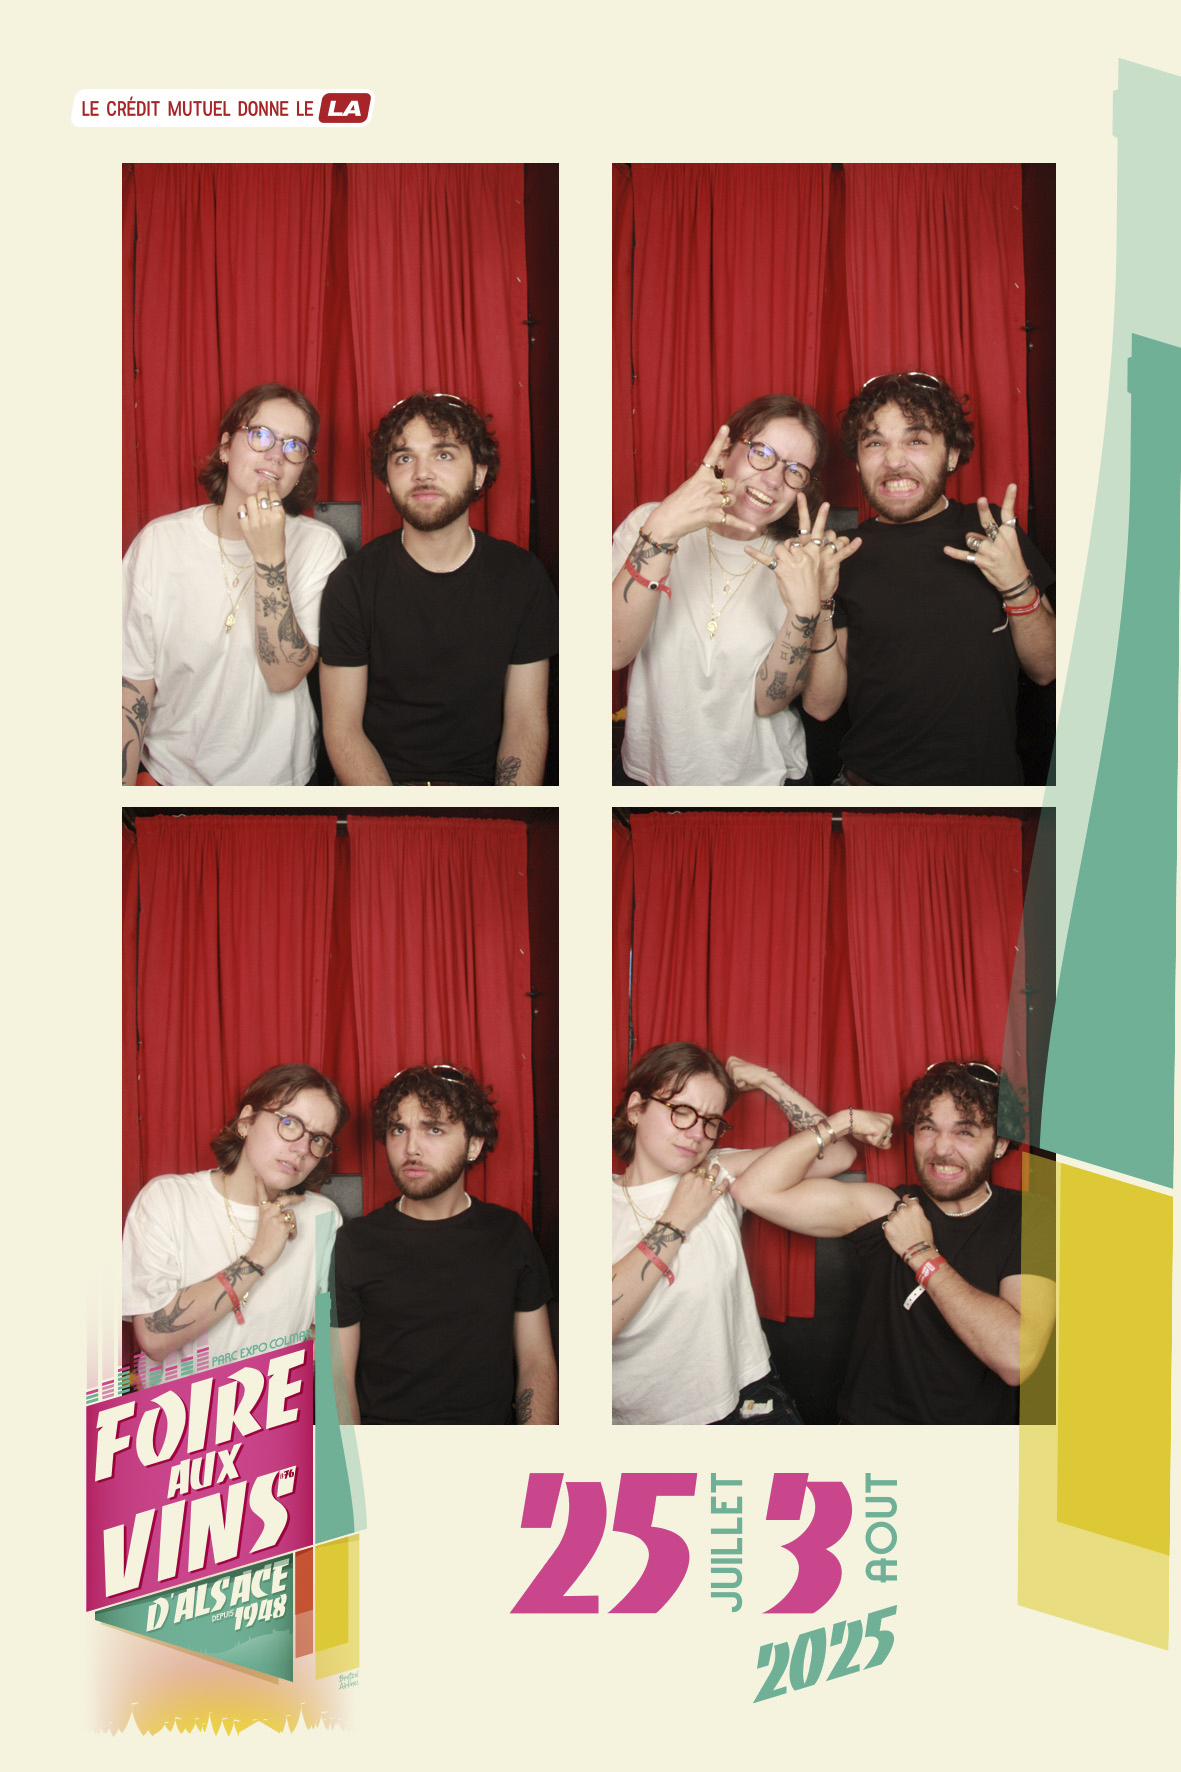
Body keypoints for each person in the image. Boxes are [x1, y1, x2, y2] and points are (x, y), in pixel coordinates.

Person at [730, 1059, 1056, 1423]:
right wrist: (843, 1121)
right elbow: (753, 1191)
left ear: (1000, 1143)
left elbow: (1016, 1358)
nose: (941, 1148)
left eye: (965, 1132)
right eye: (928, 1128)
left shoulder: (1032, 1218)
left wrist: (921, 1254)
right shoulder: (888, 1208)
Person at [611, 1044, 893, 1425]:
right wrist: (677, 1220)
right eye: (682, 1111)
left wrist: (769, 1082)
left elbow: (838, 1155)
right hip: (650, 1421)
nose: (696, 1134)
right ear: (635, 1109)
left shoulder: (715, 1169)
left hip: (750, 1399)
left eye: (711, 1121)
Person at [803, 370, 1056, 784]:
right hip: (869, 794)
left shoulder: (994, 531)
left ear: (952, 454)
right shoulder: (842, 555)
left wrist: (1016, 585)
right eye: (874, 443)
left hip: (987, 799)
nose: (894, 460)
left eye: (916, 440)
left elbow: (1046, 669)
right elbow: (821, 705)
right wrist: (820, 601)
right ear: (858, 460)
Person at [612, 395, 857, 786]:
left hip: (765, 783)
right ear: (726, 452)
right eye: (762, 454)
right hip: (654, 774)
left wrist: (805, 610)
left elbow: (768, 702)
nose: (773, 480)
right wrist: (662, 532)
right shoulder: (652, 522)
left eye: (795, 471)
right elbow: (611, 652)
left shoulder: (795, 559)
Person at [318, 393, 557, 785]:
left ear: (479, 473)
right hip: (384, 791)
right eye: (404, 458)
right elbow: (343, 729)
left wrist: (504, 811)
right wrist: (394, 816)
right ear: (386, 481)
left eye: (443, 454)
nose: (422, 473)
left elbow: (525, 722)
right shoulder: (353, 583)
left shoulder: (523, 577)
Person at [122, 383, 345, 786]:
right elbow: (133, 682)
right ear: (226, 447)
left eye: (294, 445)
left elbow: (283, 675)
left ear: (301, 469)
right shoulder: (159, 543)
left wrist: (269, 555)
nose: (276, 454)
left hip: (279, 785)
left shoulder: (319, 546)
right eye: (260, 435)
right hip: (172, 779)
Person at [332, 1064, 557, 1424]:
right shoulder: (353, 1242)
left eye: (434, 1129)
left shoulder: (509, 1233)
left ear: (473, 1145)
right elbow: (336, 1383)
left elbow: (536, 1362)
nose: (411, 1149)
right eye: (398, 1129)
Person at [122, 1064, 349, 1367]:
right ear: (246, 1122)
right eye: (289, 1122)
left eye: (318, 1139)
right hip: (185, 1399)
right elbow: (154, 1339)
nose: (302, 1149)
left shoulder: (322, 1216)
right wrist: (258, 1257)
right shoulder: (169, 1199)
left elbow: (328, 1336)